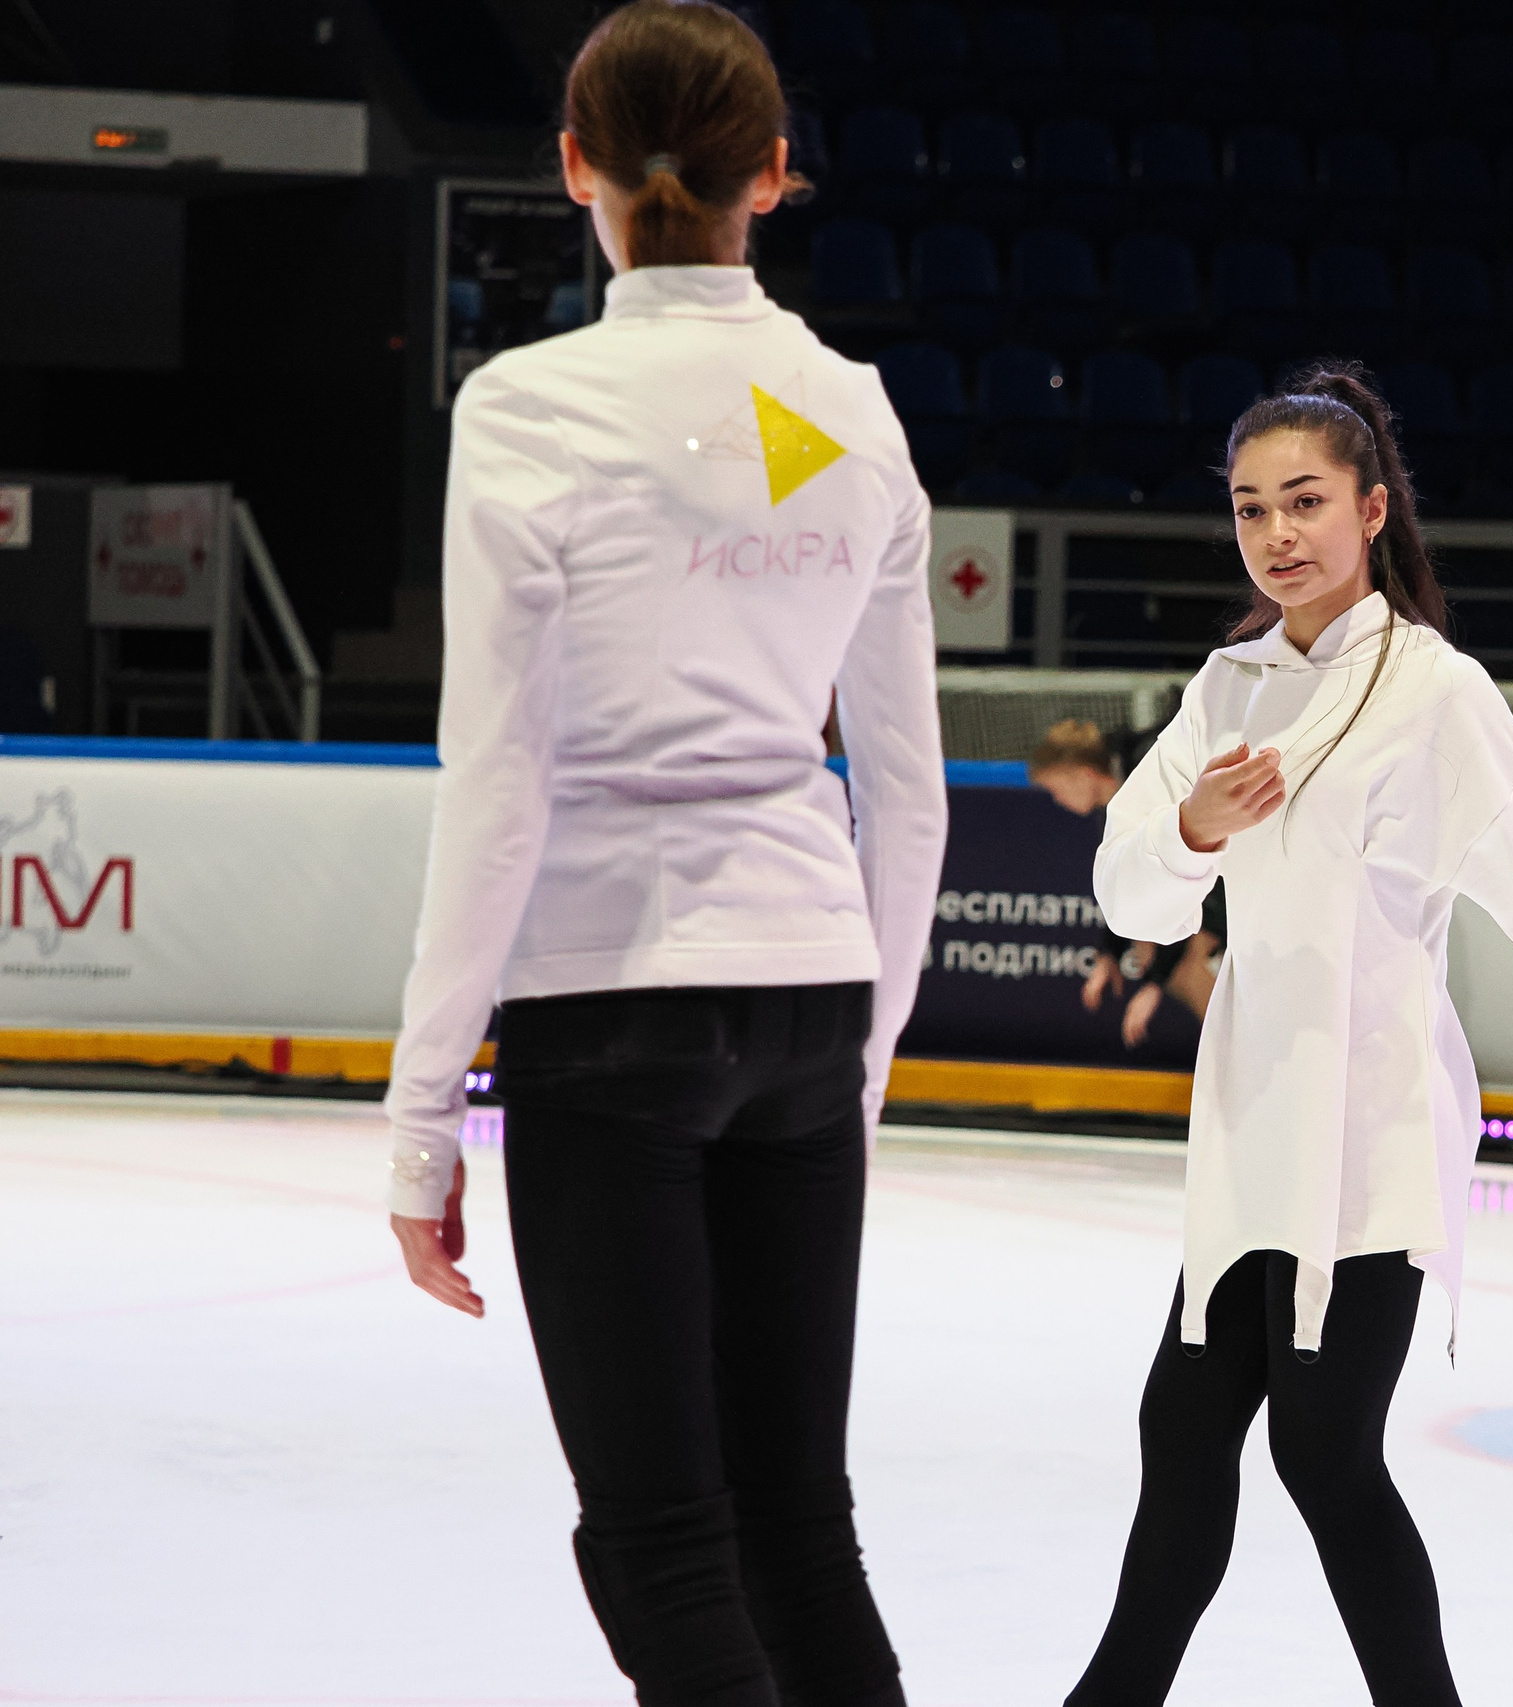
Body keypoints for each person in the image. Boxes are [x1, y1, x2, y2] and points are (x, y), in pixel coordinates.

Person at [380, 6, 944, 1704]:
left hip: (609, 1006)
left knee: (664, 1544)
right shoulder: (850, 411)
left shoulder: (532, 407)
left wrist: (421, 1121)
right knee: (798, 1528)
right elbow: (905, 788)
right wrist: (865, 1053)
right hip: (803, 993)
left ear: (575, 168)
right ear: (775, 175)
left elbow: (497, 773)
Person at [1068, 362, 1513, 1707]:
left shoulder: (1435, 693)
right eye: (1253, 508)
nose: (1279, 534)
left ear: (1373, 510)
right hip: (1251, 1125)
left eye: (1306, 501)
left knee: (1323, 1448)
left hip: (1372, 1131)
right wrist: (1196, 827)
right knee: (1184, 1429)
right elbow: (1126, 881)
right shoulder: (1229, 686)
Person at [1029, 716, 1224, 1049]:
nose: (1058, 801)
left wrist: (1153, 986)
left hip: (1222, 883)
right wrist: (1109, 954)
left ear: (1082, 774)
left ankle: (1233, 1065)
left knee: (1183, 956)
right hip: (1204, 887)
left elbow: (1179, 884)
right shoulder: (1117, 805)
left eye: (1056, 789)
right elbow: (1128, 888)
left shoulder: (1146, 781)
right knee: (1151, 944)